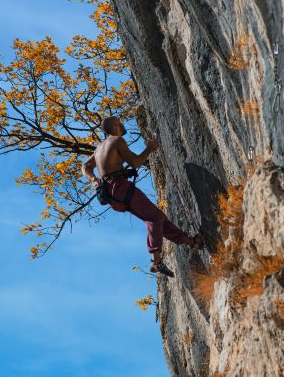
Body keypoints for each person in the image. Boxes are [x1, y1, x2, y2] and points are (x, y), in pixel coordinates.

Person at [81, 116, 204, 277]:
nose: (123, 124)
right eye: (120, 122)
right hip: (121, 188)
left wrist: (93, 179)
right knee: (155, 218)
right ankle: (156, 261)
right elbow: (136, 162)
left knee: (157, 218)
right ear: (116, 125)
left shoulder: (98, 149)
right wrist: (149, 149)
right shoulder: (117, 140)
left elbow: (85, 166)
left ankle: (192, 242)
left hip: (110, 195)